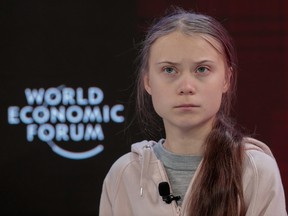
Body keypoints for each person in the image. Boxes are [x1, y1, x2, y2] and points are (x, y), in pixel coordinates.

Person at [99, 8, 287, 216]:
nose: (186, 86)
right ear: (148, 82)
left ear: (226, 79)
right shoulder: (124, 175)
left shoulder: (255, 170)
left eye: (202, 69)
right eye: (169, 70)